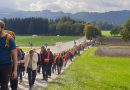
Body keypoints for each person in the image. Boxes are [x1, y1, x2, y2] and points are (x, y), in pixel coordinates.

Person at [0, 20, 17, 90]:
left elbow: (14, 56)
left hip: (6, 66)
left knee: (4, 86)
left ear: (2, 28)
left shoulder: (9, 39)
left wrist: (15, 70)